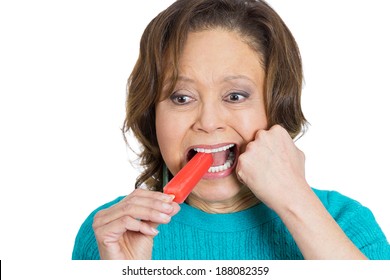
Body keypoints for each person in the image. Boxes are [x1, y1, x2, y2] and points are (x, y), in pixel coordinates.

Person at [72, 0, 390, 260]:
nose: (209, 122)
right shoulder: (111, 233)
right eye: (182, 97)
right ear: (152, 115)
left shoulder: (347, 224)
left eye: (235, 96)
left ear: (277, 110)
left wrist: (296, 201)